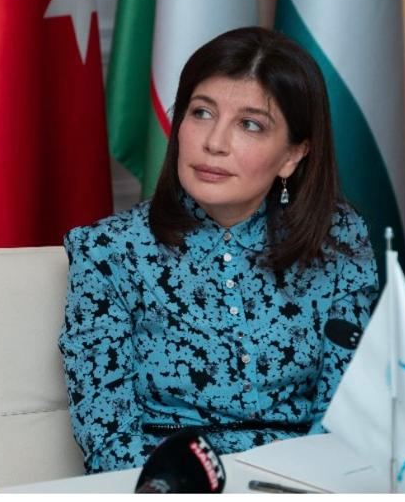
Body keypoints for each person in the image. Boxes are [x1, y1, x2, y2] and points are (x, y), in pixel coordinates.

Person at [58, 27, 380, 473]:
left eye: (250, 124)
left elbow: (346, 414)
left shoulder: (338, 240)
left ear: (292, 155)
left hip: (306, 482)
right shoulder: (107, 252)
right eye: (202, 113)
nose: (214, 142)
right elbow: (108, 440)